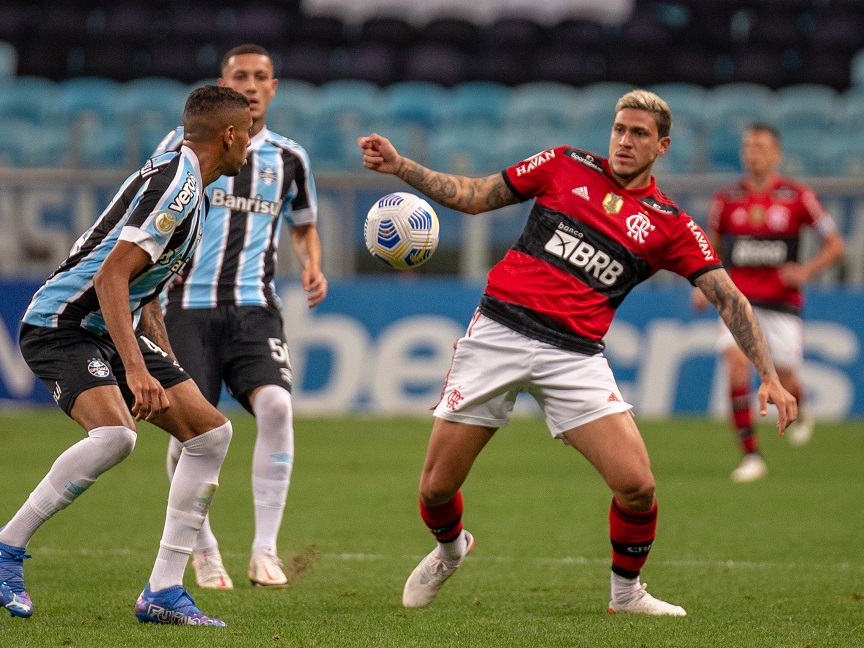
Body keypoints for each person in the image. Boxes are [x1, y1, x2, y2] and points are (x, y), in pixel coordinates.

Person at [358, 90, 798, 616]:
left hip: (575, 356)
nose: (625, 141)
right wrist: (402, 165)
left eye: (639, 134)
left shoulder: (669, 224)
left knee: (638, 486)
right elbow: (476, 196)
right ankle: (450, 550)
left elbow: (727, 294)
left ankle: (626, 593)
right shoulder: (564, 163)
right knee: (435, 490)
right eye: (619, 129)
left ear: (662, 145)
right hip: (498, 332)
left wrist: (768, 374)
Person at [0, 85, 253, 626]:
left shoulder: (189, 189)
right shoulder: (177, 186)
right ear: (228, 135)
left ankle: (163, 593)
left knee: (210, 434)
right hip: (62, 324)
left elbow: (141, 287)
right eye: (246, 133)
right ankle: (6, 546)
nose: (249, 144)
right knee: (115, 437)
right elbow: (110, 275)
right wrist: (134, 369)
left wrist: (165, 364)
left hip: (110, 325)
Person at [155, 44, 326, 590]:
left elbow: (302, 223)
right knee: (188, 433)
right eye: (240, 76)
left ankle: (264, 550)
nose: (251, 85)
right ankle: (203, 551)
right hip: (186, 307)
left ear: (274, 88)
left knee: (276, 405)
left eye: (260, 77)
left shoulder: (290, 159)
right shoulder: (180, 148)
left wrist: (311, 267)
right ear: (224, 84)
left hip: (254, 306)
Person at [692, 123, 845, 483]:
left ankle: (801, 409)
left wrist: (806, 271)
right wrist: (702, 284)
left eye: (760, 146)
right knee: (735, 367)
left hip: (782, 305)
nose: (751, 153)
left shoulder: (798, 196)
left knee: (786, 378)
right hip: (738, 301)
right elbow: (710, 248)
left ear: (776, 153)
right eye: (747, 146)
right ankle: (751, 456)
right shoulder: (725, 198)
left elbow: (836, 245)